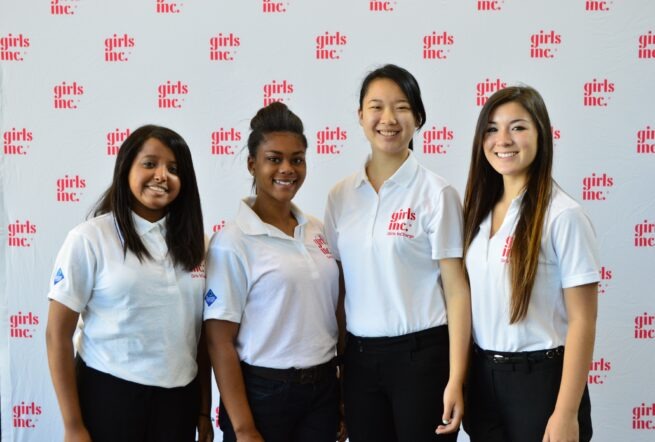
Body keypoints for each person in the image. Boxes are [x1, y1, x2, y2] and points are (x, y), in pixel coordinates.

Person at [324, 64, 471, 442]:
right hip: (359, 361)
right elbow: (340, 287)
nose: (388, 119)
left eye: (401, 107)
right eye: (376, 107)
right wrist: (339, 365)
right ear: (360, 116)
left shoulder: (436, 194)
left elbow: (457, 291)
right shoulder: (341, 195)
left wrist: (457, 378)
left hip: (422, 359)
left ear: (418, 118)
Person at [46, 125, 213, 442]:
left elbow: (202, 337)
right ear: (126, 168)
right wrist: (72, 425)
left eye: (174, 168)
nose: (162, 176)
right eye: (150, 163)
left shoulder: (200, 246)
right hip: (109, 395)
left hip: (178, 402)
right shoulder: (91, 238)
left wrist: (204, 409)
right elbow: (57, 334)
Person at [462, 86, 599, 442]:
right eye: (491, 128)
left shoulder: (563, 215)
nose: (503, 139)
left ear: (541, 134)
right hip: (483, 379)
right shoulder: (478, 215)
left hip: (541, 382)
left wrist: (566, 412)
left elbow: (583, 320)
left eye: (518, 127)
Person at [204, 102, 341, 442]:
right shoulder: (232, 241)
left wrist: (341, 397)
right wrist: (244, 427)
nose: (287, 169)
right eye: (274, 158)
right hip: (262, 394)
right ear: (252, 164)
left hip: (322, 390)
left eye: (297, 159)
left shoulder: (318, 229)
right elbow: (219, 341)